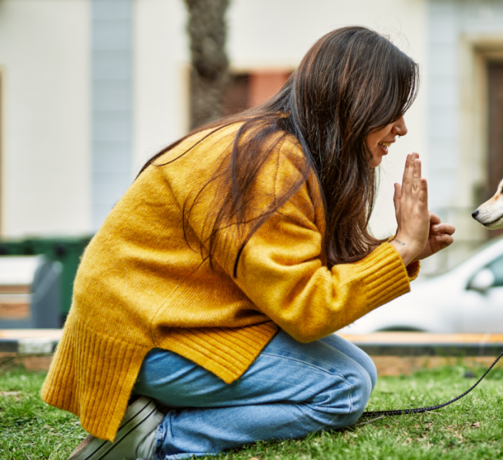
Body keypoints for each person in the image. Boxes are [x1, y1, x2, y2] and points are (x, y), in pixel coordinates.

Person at [42, 26, 455, 459]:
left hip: (180, 321)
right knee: (343, 389)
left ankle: (155, 414)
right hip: (145, 341)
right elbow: (306, 309)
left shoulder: (281, 148)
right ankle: (155, 439)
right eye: (393, 109)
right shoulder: (272, 161)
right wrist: (401, 249)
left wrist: (404, 247)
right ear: (355, 101)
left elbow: (297, 277)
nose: (402, 128)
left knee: (360, 371)